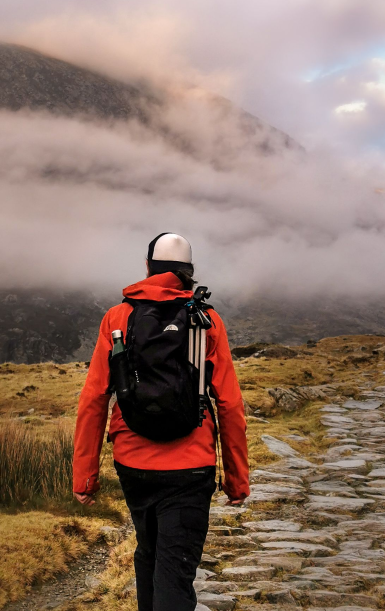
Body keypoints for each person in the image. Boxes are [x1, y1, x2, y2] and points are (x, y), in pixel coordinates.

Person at [73, 232, 250, 611]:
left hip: (133, 463)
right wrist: (236, 478)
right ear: (188, 272)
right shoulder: (206, 321)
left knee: (149, 552)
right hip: (190, 467)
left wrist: (84, 477)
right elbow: (230, 404)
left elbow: (93, 400)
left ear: (148, 268)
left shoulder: (117, 317)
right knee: (174, 570)